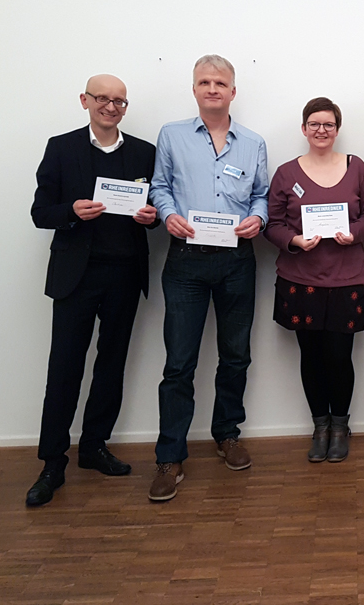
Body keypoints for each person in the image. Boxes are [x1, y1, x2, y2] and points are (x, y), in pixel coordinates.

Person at [27, 74, 158, 507]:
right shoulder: (61, 147)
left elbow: (154, 210)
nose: (112, 106)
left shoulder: (144, 152)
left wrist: (150, 218)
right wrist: (72, 211)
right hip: (75, 276)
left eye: (120, 100)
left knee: (111, 364)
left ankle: (94, 446)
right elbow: (40, 212)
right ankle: (51, 462)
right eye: (103, 98)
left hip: (123, 273)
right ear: (85, 100)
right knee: (63, 368)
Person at [148, 55, 269, 501]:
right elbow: (160, 185)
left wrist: (257, 219)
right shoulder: (172, 135)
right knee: (179, 362)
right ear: (194, 89)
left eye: (221, 82)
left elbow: (260, 194)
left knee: (235, 355)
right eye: (204, 81)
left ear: (233, 91)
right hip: (185, 262)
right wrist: (168, 214)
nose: (212, 88)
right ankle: (170, 455)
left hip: (237, 259)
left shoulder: (253, 142)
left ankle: (227, 434)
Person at [264, 97, 364, 463]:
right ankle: (320, 426)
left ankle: (340, 427)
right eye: (315, 124)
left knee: (339, 356)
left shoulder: (356, 168)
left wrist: (353, 234)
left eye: (328, 124)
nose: (322, 130)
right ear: (304, 129)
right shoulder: (286, 173)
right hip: (300, 278)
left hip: (346, 278)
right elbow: (273, 223)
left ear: (337, 129)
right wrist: (294, 240)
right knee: (310, 356)